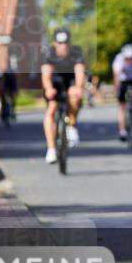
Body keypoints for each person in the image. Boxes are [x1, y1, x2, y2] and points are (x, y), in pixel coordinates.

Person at [41, 28, 87, 163]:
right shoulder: (48, 54)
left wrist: (78, 88)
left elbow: (80, 73)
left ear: (69, 43)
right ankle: (51, 150)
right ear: (55, 43)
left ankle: (72, 126)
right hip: (55, 82)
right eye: (60, 43)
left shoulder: (76, 53)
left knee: (74, 96)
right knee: (51, 109)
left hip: (70, 80)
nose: (63, 46)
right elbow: (46, 75)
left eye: (65, 43)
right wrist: (49, 89)